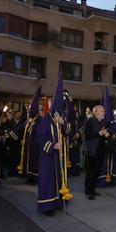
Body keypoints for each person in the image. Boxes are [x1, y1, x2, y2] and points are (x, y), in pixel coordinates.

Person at [36, 74, 72, 214]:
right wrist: (52, 146)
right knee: (48, 180)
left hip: (60, 157)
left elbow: (69, 132)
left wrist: (64, 124)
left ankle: (58, 201)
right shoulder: (45, 121)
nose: (57, 112)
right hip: (48, 156)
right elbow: (40, 138)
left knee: (59, 178)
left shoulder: (60, 120)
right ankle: (47, 206)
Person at [84, 105, 106, 199]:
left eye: (103, 111)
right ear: (95, 112)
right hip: (92, 151)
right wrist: (100, 133)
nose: (103, 113)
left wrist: (106, 134)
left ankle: (92, 189)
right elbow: (88, 136)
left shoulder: (101, 122)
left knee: (96, 171)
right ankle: (88, 192)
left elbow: (100, 135)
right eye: (101, 111)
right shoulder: (90, 121)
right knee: (91, 172)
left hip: (100, 150)